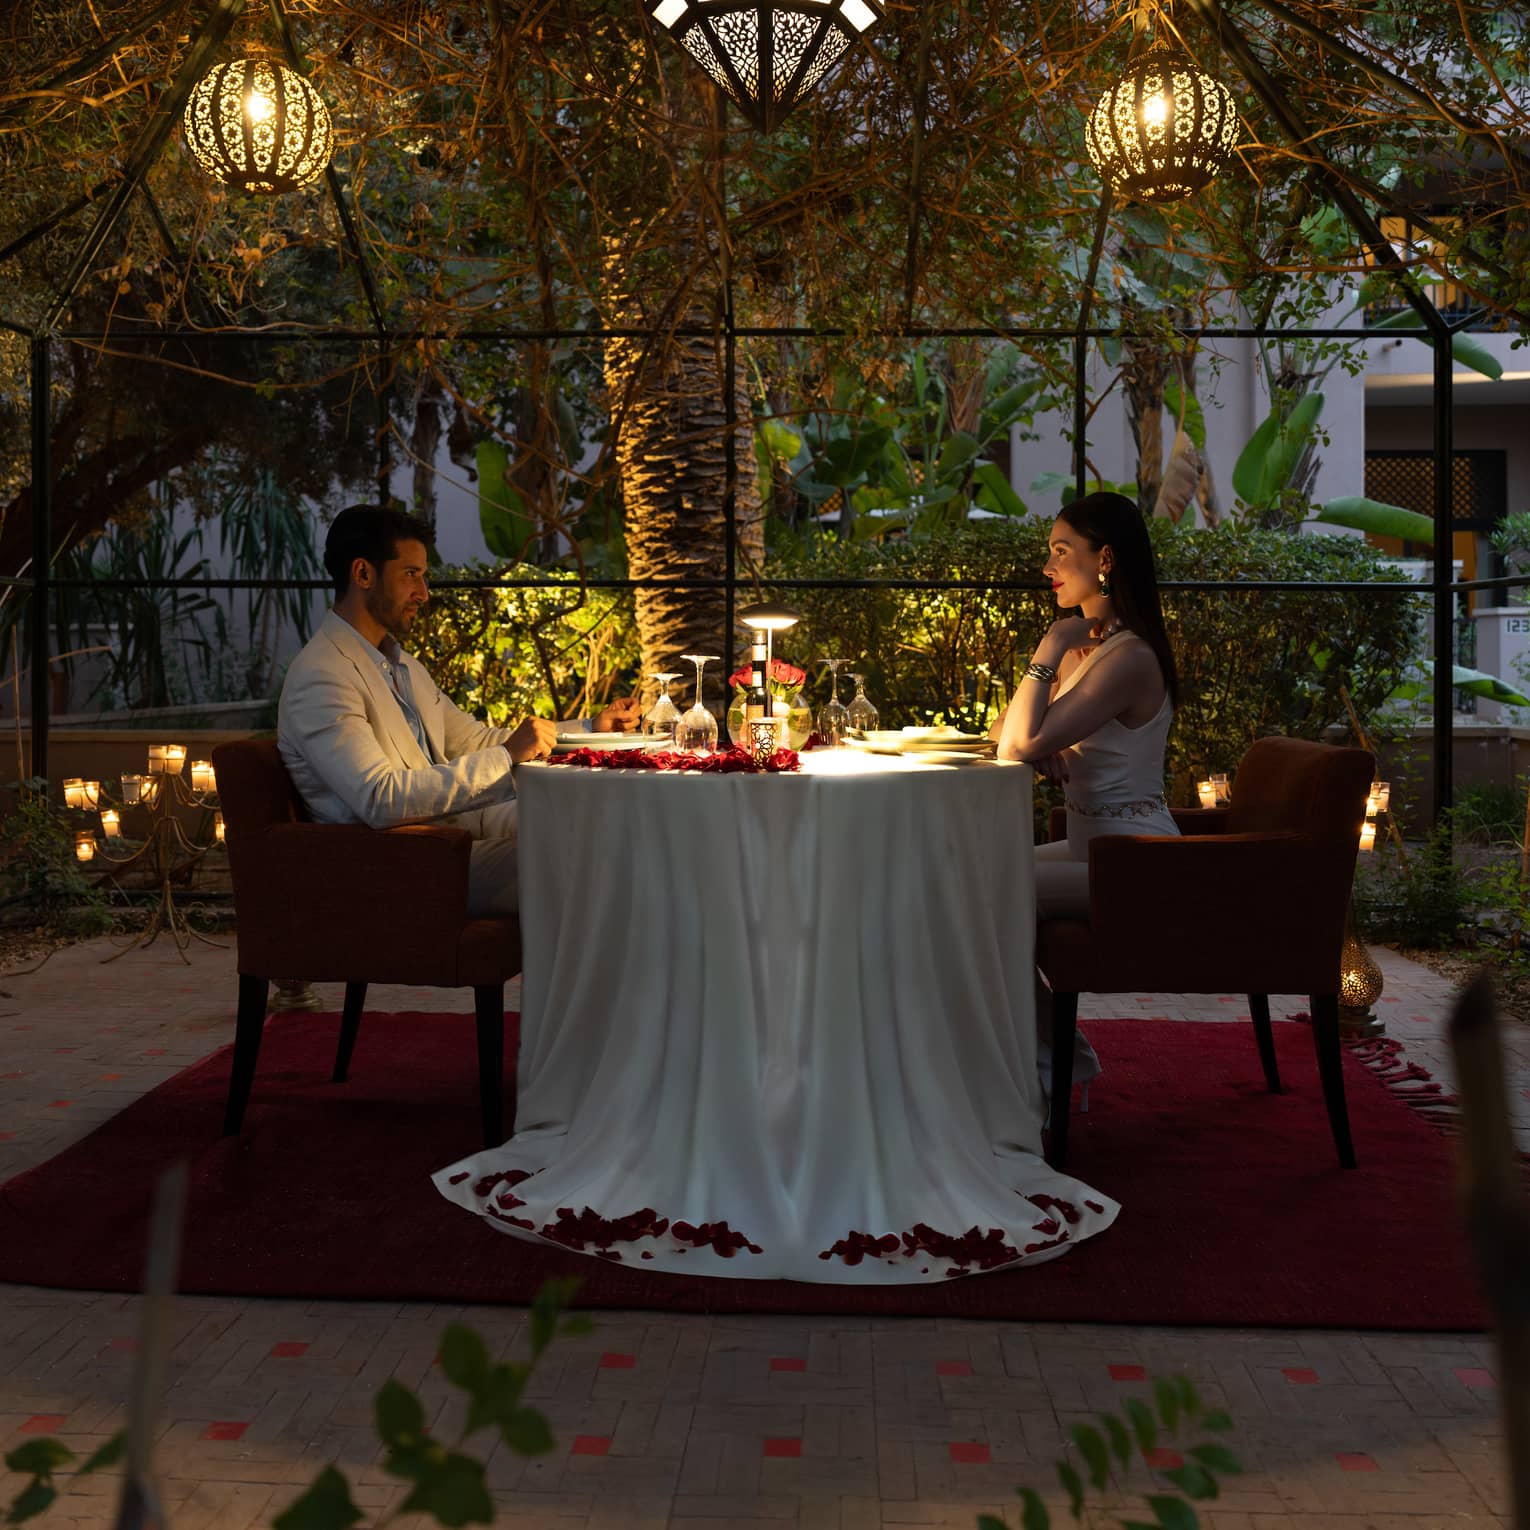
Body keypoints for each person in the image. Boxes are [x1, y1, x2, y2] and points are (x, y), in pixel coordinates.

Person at [278, 505, 639, 916]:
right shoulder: (321, 676)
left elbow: (472, 740)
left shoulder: (401, 666)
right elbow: (380, 798)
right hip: (401, 864)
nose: (423, 593)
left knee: (603, 824)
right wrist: (507, 756)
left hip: (455, 834)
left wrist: (592, 727)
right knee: (586, 862)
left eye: (423, 576)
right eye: (410, 574)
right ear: (363, 574)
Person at [990, 491, 1182, 1096]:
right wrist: (1037, 732)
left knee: (981, 892)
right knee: (970, 877)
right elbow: (1004, 733)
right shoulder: (1091, 650)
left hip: (1137, 860)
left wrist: (1050, 645)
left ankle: (1051, 1061)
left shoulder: (1128, 657)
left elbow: (1016, 743)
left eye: (1060, 550)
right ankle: (1049, 1056)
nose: (1047, 565)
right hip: (1088, 848)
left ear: (1105, 558)